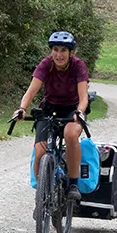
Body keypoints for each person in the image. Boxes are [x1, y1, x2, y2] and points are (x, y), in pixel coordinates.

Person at [13, 31, 90, 203]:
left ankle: (72, 184)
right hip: (50, 108)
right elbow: (31, 91)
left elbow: (83, 97)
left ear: (72, 52)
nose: (59, 54)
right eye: (55, 49)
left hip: (73, 109)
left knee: (70, 135)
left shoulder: (78, 66)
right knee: (40, 151)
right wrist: (22, 108)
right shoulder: (46, 64)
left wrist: (79, 112)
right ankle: (41, 199)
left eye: (64, 50)